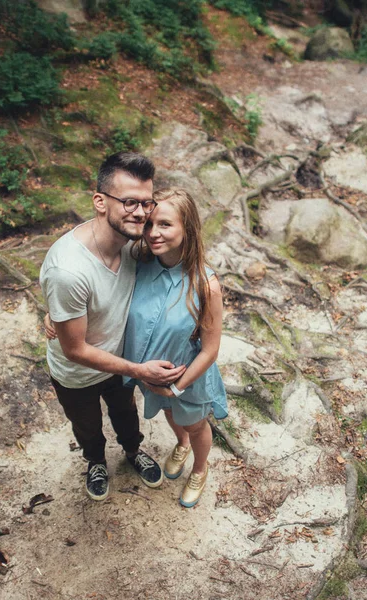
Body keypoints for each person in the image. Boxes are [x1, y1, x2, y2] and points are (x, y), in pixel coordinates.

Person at [39, 152, 185, 502]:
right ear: (100, 202)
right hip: (76, 372)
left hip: (118, 363)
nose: (140, 212)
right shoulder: (69, 270)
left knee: (126, 414)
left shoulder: (136, 246)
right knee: (87, 425)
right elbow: (74, 348)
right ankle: (95, 462)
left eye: (147, 203)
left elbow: (181, 251)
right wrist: (139, 370)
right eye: (130, 202)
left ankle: (133, 452)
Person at [123, 188, 228, 508]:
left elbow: (211, 350)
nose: (153, 233)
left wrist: (178, 387)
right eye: (150, 224)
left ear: (187, 228)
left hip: (188, 378)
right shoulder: (139, 263)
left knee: (196, 424)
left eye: (165, 225)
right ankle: (180, 444)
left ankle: (199, 468)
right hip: (149, 374)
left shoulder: (205, 286)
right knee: (169, 414)